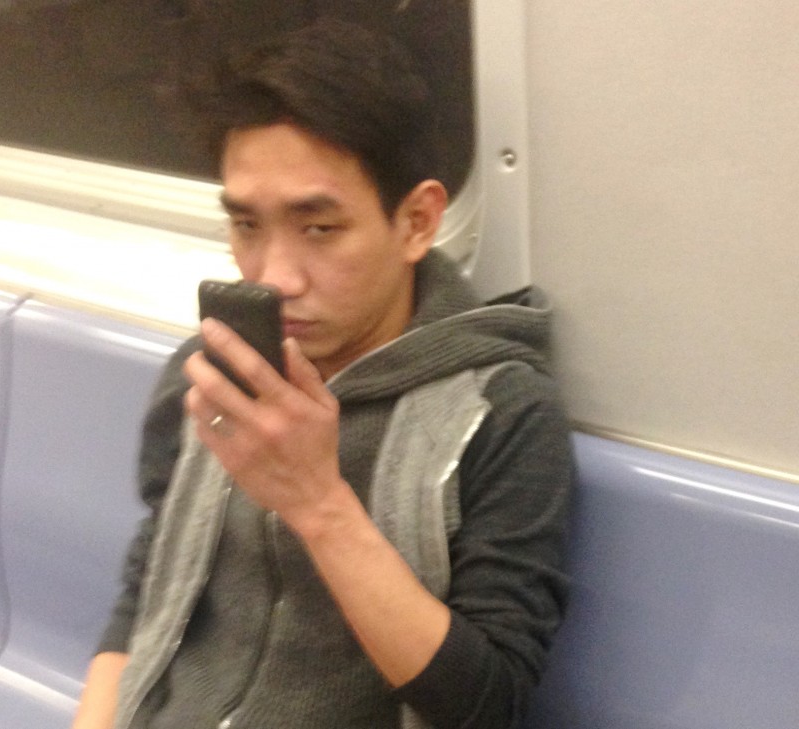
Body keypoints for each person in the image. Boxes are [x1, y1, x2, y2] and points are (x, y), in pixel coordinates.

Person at [72, 18, 572, 729]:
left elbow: (487, 704)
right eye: (247, 226)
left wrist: (317, 501)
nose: (274, 278)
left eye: (319, 228)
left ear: (417, 222)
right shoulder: (212, 374)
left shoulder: (500, 410)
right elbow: (149, 589)